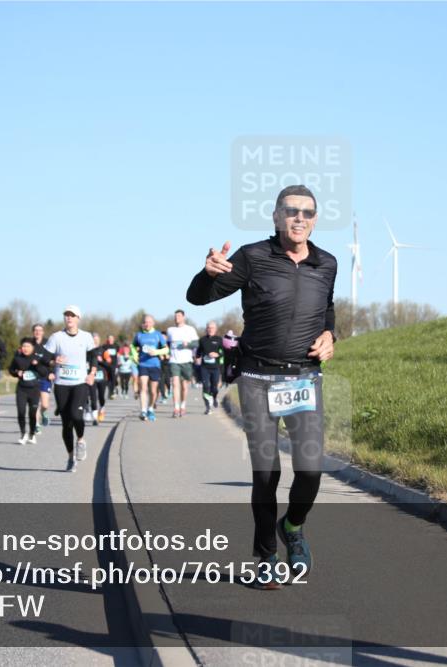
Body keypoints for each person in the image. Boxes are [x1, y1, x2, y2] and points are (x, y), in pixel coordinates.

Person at [187, 184, 337, 589]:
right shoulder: (253, 257)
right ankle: (267, 555)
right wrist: (207, 273)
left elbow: (327, 308)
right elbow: (198, 298)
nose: (299, 218)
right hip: (256, 377)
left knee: (310, 471)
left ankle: (293, 526)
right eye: (291, 211)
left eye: (307, 212)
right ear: (275, 216)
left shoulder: (327, 263)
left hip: (304, 377)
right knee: (266, 472)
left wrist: (330, 336)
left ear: (315, 219)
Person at [43, 306, 96, 472]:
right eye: (66, 315)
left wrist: (92, 373)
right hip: (61, 385)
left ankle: (80, 440)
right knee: (66, 424)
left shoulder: (86, 337)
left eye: (72, 316)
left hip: (80, 382)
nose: (69, 318)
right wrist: (54, 361)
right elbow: (45, 358)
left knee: (76, 416)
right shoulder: (56, 337)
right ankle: (70, 457)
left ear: (78, 318)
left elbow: (94, 356)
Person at [10, 337, 49, 445]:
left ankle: (32, 434)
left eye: (28, 346)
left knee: (32, 414)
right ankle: (23, 434)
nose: (25, 348)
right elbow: (11, 369)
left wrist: (37, 365)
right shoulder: (17, 358)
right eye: (23, 346)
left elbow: (44, 372)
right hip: (21, 389)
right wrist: (16, 373)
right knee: (21, 412)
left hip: (34, 390)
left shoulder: (37, 358)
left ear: (32, 347)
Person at [132, 314, 169, 422]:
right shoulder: (139, 335)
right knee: (143, 387)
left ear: (153, 323)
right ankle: (143, 410)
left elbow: (166, 349)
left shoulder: (157, 335)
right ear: (143, 324)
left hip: (155, 365)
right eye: (145, 322)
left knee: (153, 391)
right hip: (143, 364)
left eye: (149, 322)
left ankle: (151, 408)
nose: (147, 324)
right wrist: (134, 356)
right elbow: (133, 346)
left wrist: (156, 352)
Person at [166, 309, 199, 418]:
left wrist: (187, 345)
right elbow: (167, 344)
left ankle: (183, 405)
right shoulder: (170, 330)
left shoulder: (190, 329)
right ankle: (176, 408)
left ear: (183, 317)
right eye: (175, 316)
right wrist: (166, 352)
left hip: (186, 361)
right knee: (175, 384)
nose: (177, 318)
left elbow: (196, 343)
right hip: (174, 361)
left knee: (184, 386)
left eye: (179, 316)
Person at [196, 320, 223, 415]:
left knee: (214, 387)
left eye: (212, 328)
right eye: (209, 328)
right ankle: (208, 407)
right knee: (205, 386)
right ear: (206, 329)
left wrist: (217, 354)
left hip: (215, 367)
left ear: (215, 329)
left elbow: (223, 352)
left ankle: (214, 397)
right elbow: (198, 352)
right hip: (205, 367)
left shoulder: (219, 340)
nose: (210, 329)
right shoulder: (202, 340)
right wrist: (197, 357)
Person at [32, 323, 55, 432]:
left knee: (45, 404)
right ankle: (36, 425)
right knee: (35, 403)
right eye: (36, 330)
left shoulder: (48, 344)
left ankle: (44, 413)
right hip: (33, 377)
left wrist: (52, 372)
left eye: (40, 330)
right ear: (33, 332)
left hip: (45, 377)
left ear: (43, 332)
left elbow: (54, 360)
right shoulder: (29, 344)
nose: (37, 332)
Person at [87, 333, 109, 425]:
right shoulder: (88, 351)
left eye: (96, 339)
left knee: (101, 397)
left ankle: (102, 407)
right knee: (93, 397)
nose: (95, 341)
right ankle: (95, 418)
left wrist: (102, 361)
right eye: (93, 339)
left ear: (99, 340)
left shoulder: (104, 351)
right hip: (91, 376)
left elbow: (110, 365)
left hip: (102, 377)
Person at [103, 334, 120, 399]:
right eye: (109, 338)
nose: (110, 339)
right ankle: (110, 390)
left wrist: (118, 364)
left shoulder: (116, 346)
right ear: (107, 339)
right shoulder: (104, 346)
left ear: (113, 339)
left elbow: (118, 355)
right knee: (108, 379)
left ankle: (112, 391)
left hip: (114, 365)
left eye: (111, 338)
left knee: (113, 378)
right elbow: (102, 354)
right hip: (107, 365)